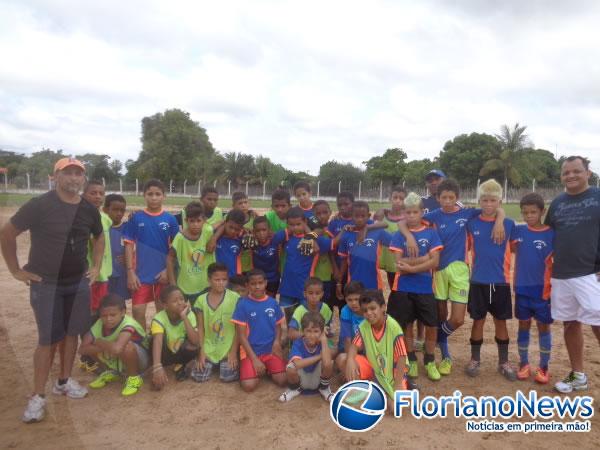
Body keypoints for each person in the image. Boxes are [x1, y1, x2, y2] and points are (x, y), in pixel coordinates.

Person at [1, 157, 103, 423]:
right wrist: (15, 270)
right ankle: (37, 396)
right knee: (47, 340)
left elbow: (99, 237)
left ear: (83, 178)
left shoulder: (87, 209)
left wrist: (97, 265)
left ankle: (63, 381)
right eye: (67, 172)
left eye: (78, 173)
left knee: (70, 335)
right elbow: (7, 232)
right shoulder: (40, 205)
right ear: (55, 177)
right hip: (46, 284)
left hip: (77, 282)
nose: (73, 177)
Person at [423, 178, 505, 376]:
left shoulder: (467, 213)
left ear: (457, 198)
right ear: (438, 198)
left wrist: (500, 221)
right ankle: (446, 356)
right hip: (439, 270)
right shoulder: (434, 215)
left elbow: (496, 210)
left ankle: (434, 338)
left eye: (452, 197)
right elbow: (410, 221)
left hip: (460, 270)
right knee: (441, 314)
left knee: (457, 319)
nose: (448, 201)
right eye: (444, 197)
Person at [545, 156, 600, 393]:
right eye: (566, 173)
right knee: (570, 323)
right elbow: (549, 235)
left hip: (591, 273)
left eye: (576, 171)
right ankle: (578, 375)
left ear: (588, 173)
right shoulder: (557, 203)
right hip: (562, 274)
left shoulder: (597, 197)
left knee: (598, 323)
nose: (571, 176)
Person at [388, 193, 443, 381]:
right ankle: (410, 359)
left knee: (431, 325)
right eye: (408, 212)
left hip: (425, 288)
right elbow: (399, 264)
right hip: (403, 287)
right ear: (404, 213)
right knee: (407, 325)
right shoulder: (398, 235)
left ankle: (429, 360)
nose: (411, 216)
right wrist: (424, 259)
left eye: (415, 212)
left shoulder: (431, 233)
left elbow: (435, 262)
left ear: (422, 212)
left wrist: (413, 266)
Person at [466, 179, 517, 381]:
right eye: (485, 200)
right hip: (478, 281)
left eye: (493, 200)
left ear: (500, 201)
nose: (488, 204)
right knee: (477, 321)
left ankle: (503, 361)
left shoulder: (510, 224)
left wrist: (500, 220)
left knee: (501, 322)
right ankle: (474, 359)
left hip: (501, 281)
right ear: (479, 200)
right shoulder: (472, 223)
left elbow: (515, 249)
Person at [123, 179, 179, 329]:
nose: (154, 197)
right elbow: (128, 245)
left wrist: (168, 270)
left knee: (163, 311)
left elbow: (177, 248)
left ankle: (160, 342)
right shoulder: (136, 218)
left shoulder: (170, 219)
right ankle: (143, 343)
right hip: (141, 276)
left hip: (162, 275)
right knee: (137, 311)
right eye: (150, 194)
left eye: (157, 194)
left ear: (164, 196)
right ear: (144, 195)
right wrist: (130, 272)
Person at [511, 193, 553, 384]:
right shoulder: (519, 231)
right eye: (525, 212)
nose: (529, 216)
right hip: (521, 288)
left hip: (542, 290)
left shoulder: (551, 234)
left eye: (533, 212)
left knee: (543, 327)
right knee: (523, 325)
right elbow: (509, 248)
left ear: (542, 211)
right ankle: (524, 363)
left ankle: (544, 366)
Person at [80, 294, 149, 397]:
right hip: (118, 359)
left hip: (141, 361)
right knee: (93, 348)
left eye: (113, 315)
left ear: (123, 312)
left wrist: (99, 342)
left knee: (126, 347)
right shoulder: (100, 323)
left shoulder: (128, 324)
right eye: (104, 316)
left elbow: (117, 349)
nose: (108, 319)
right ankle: (111, 372)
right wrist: (103, 346)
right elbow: (82, 349)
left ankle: (134, 378)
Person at [344, 290, 408, 401]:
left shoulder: (393, 327)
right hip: (374, 368)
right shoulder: (364, 326)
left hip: (394, 372)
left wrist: (397, 386)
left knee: (395, 408)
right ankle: (363, 388)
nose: (368, 313)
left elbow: (402, 357)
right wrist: (350, 359)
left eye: (372, 308)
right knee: (343, 359)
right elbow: (354, 346)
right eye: (365, 310)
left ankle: (391, 387)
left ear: (383, 307)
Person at [231, 269, 287, 392]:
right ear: (247, 286)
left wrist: (277, 342)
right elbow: (241, 336)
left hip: (269, 350)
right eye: (253, 284)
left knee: (283, 381)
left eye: (260, 283)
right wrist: (255, 360)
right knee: (249, 386)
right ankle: (249, 366)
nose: (257, 286)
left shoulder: (272, 303)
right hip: (250, 352)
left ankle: (266, 366)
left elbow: (278, 325)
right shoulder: (242, 305)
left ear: (265, 283)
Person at [274, 207, 332, 322]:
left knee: (306, 318)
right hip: (288, 286)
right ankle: (292, 339)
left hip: (305, 287)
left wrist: (309, 234)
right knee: (290, 318)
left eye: (298, 224)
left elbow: (328, 245)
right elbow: (274, 239)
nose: (295, 227)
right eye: (291, 224)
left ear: (305, 222)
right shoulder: (287, 237)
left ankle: (304, 339)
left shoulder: (313, 238)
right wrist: (288, 230)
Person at [191, 263, 240, 383]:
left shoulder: (235, 298)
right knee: (199, 376)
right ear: (209, 280)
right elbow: (201, 328)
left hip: (228, 347)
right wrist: (201, 353)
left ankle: (226, 361)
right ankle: (200, 361)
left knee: (228, 376)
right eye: (217, 279)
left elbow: (239, 328)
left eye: (224, 279)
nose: (221, 283)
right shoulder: (201, 300)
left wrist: (233, 352)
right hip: (209, 346)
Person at [337, 201, 392, 292]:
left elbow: (395, 243)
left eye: (363, 216)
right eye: (356, 216)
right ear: (352, 216)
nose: (359, 219)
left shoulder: (377, 232)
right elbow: (344, 261)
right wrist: (338, 283)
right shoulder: (347, 235)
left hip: (374, 284)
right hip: (354, 285)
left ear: (368, 215)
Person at [150, 286, 199, 389]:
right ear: (165, 305)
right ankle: (159, 367)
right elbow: (158, 341)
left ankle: (181, 365)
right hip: (165, 354)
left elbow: (195, 341)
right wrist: (157, 367)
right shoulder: (159, 318)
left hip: (180, 352)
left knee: (194, 346)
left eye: (181, 299)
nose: (180, 303)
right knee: (154, 340)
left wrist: (184, 317)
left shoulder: (189, 314)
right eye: (175, 301)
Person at [278, 312, 334, 402]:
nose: (312, 335)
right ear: (303, 331)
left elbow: (327, 364)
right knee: (290, 367)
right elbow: (297, 363)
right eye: (308, 331)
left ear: (322, 332)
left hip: (318, 378)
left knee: (330, 362)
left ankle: (324, 389)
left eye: (316, 331)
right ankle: (295, 389)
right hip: (301, 378)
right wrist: (320, 356)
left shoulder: (322, 342)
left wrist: (324, 340)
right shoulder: (298, 342)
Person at [167, 201, 215, 302]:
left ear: (204, 220)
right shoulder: (180, 238)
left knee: (200, 314)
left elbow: (221, 224)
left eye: (198, 221)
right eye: (192, 221)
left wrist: (214, 239)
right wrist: (173, 284)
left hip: (203, 284)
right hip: (184, 286)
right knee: (180, 313)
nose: (195, 224)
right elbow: (170, 259)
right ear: (186, 220)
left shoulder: (208, 231)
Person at [82, 180, 113, 314]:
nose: (98, 196)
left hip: (104, 271)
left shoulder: (105, 218)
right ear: (84, 194)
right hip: (92, 272)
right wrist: (95, 266)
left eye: (101, 193)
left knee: (100, 307)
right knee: (91, 309)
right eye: (93, 193)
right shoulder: (83, 217)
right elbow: (94, 243)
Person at [374, 185, 407, 289]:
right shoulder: (382, 215)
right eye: (395, 197)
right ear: (390, 198)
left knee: (400, 288)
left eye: (401, 198)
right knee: (392, 285)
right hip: (387, 259)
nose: (398, 201)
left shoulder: (407, 217)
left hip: (401, 260)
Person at [288, 277, 333, 342]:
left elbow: (329, 330)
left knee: (334, 350)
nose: (314, 296)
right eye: (310, 293)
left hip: (319, 343)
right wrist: (309, 335)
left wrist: (328, 332)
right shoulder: (299, 310)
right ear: (305, 294)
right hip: (303, 344)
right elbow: (290, 334)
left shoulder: (325, 308)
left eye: (317, 293)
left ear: (322, 294)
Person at [334, 281, 365, 373]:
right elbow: (347, 339)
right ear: (345, 299)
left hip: (366, 347)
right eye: (349, 300)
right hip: (349, 347)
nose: (353, 303)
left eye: (356, 299)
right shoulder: (345, 311)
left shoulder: (368, 310)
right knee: (343, 360)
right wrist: (349, 361)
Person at [312, 200, 338, 306]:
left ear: (330, 212)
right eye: (318, 214)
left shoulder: (333, 227)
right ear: (314, 215)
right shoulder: (315, 231)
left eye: (325, 212)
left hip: (330, 273)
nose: (322, 216)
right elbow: (328, 248)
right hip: (317, 274)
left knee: (328, 305)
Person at [104, 194, 129, 301]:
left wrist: (129, 258)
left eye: (122, 210)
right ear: (105, 209)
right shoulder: (100, 227)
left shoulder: (128, 228)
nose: (119, 213)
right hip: (103, 275)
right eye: (115, 210)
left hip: (121, 274)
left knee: (118, 303)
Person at [251, 216, 280, 297]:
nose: (261, 233)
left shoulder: (275, 240)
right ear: (253, 232)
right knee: (256, 300)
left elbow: (289, 231)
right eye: (258, 231)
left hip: (273, 279)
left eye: (264, 230)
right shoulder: (250, 242)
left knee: (270, 301)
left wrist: (312, 235)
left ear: (269, 230)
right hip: (256, 280)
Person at [213, 209, 245, 278]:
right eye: (230, 227)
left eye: (237, 229)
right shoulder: (216, 236)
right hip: (216, 277)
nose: (233, 231)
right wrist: (221, 225)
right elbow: (208, 229)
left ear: (241, 229)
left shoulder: (241, 239)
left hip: (232, 277)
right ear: (225, 223)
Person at [231, 191, 256, 273]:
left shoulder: (254, 218)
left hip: (251, 261)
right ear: (233, 206)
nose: (243, 205)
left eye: (245, 202)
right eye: (240, 203)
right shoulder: (229, 219)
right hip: (235, 260)